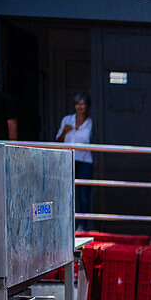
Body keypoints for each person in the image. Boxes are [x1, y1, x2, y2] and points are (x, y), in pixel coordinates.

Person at [56, 92, 93, 230]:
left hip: (85, 161)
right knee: (67, 192)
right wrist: (64, 132)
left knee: (83, 194)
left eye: (82, 103)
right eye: (77, 103)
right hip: (68, 160)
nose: (79, 106)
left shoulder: (91, 122)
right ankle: (66, 225)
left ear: (87, 105)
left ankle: (82, 225)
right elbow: (57, 141)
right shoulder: (67, 120)